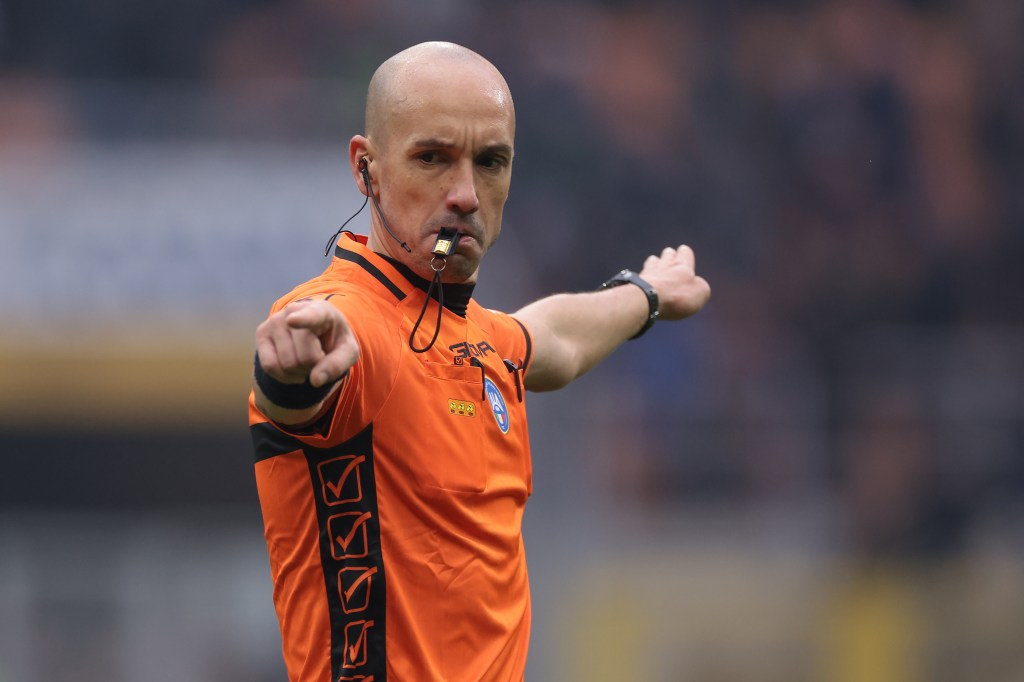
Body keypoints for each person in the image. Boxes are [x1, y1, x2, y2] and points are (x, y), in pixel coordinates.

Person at [248, 41, 710, 682]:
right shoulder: (348, 320)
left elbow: (551, 339)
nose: (465, 194)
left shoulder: (473, 337)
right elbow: (294, 387)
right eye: (432, 158)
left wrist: (649, 294)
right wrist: (292, 364)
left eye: (490, 162)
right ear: (366, 169)